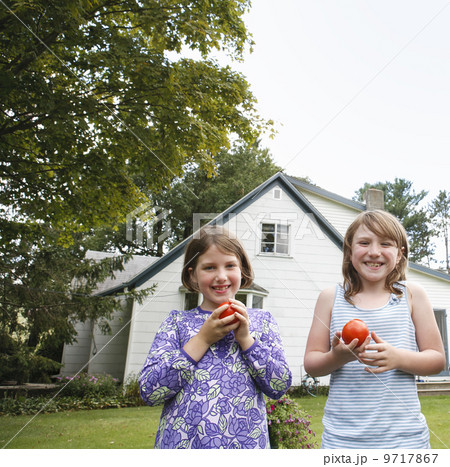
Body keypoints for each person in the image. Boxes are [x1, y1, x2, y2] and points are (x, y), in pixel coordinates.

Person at [139, 225, 292, 449]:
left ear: (242, 270)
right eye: (209, 267)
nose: (221, 276)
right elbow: (150, 390)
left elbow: (279, 385)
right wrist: (202, 339)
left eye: (230, 265)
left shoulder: (262, 322)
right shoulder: (177, 323)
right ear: (192, 276)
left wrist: (246, 340)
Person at [304, 210, 446, 449]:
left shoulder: (412, 295)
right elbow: (311, 363)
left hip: (405, 441)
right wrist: (336, 357)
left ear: (400, 254)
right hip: (343, 441)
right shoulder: (330, 298)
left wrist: (398, 358)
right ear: (349, 251)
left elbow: (436, 359)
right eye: (364, 242)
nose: (374, 251)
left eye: (385, 243)